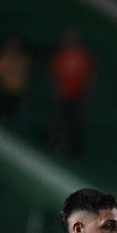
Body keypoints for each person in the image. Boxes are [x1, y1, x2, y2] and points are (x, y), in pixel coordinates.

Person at [48, 30, 94, 158]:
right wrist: (56, 93)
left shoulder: (83, 57)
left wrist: (86, 95)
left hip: (77, 95)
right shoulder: (59, 57)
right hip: (63, 94)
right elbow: (55, 77)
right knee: (59, 121)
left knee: (75, 123)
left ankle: (75, 151)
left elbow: (88, 76)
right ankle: (57, 146)